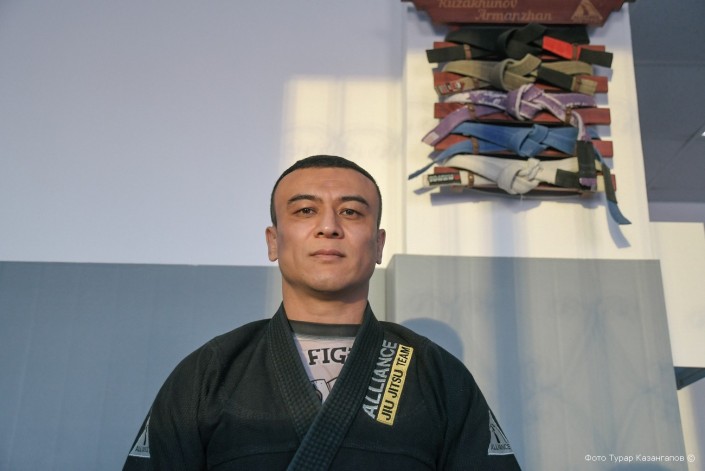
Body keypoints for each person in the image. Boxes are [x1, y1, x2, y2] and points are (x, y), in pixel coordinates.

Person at [122, 155, 521, 470]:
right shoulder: (210, 370)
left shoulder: (436, 372)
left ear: (378, 244)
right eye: (304, 211)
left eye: (351, 212)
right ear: (273, 241)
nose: (328, 226)